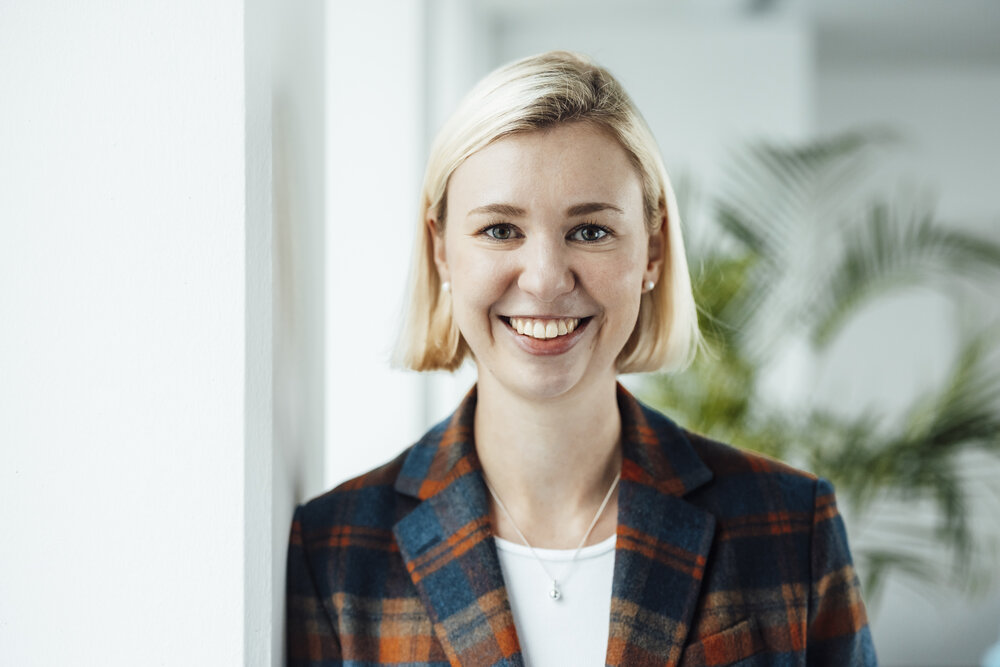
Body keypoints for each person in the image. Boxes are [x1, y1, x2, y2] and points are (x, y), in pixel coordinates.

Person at [286, 51, 876, 667]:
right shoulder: (337, 551)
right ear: (441, 252)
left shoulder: (789, 524)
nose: (543, 280)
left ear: (650, 251)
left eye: (590, 231)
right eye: (500, 230)